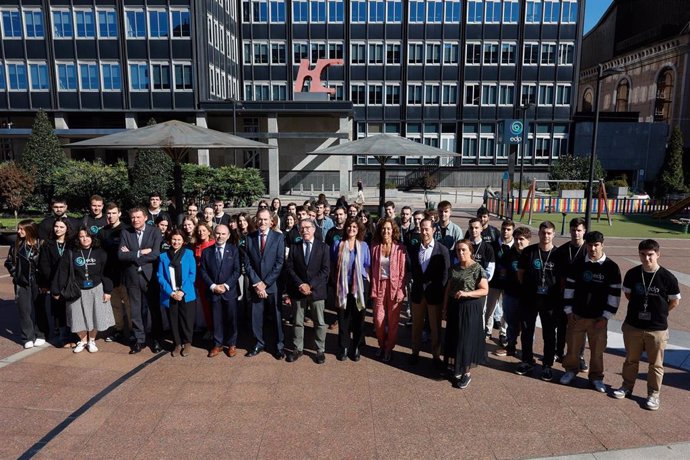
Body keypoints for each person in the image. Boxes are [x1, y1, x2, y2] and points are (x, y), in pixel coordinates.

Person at [612, 239, 680, 410]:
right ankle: (627, 387)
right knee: (631, 360)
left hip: (656, 329)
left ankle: (653, 395)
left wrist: (660, 313)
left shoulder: (667, 277)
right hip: (633, 325)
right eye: (643, 254)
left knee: (656, 364)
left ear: (658, 254)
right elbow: (628, 295)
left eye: (650, 255)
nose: (647, 258)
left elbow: (674, 302)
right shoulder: (633, 274)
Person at [560, 231, 621, 390]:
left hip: (598, 319)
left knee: (597, 351)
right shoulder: (578, 263)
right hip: (577, 315)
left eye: (596, 245)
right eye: (590, 245)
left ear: (602, 245)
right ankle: (571, 371)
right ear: (586, 245)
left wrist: (606, 316)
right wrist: (568, 310)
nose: (593, 248)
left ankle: (596, 377)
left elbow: (614, 294)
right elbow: (569, 288)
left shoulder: (611, 267)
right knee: (572, 347)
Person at [52, 228, 115, 353]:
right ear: (77, 239)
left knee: (95, 316)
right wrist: (56, 290)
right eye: (81, 236)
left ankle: (91, 340)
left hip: (96, 288)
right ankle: (83, 340)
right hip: (76, 290)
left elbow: (107, 273)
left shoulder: (100, 253)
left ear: (92, 238)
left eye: (87, 236)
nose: (85, 239)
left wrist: (108, 290)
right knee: (76, 317)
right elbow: (62, 272)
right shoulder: (71, 252)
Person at [516, 221, 562, 380]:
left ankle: (547, 365)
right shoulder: (529, 251)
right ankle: (527, 360)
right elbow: (520, 273)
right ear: (539, 234)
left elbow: (561, 279)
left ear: (553, 234)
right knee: (527, 331)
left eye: (549, 233)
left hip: (550, 301)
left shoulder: (558, 254)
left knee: (549, 334)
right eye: (543, 233)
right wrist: (528, 288)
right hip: (530, 298)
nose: (546, 236)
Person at [444, 240, 489, 389]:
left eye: (463, 250)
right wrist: (445, 307)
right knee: (455, 337)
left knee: (466, 339)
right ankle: (455, 368)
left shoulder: (477, 268)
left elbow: (484, 290)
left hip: (470, 307)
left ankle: (466, 373)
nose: (460, 253)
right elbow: (448, 288)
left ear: (470, 251)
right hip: (454, 306)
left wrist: (467, 294)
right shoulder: (454, 268)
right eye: (458, 250)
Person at [119, 207, 164, 354]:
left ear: (145, 218)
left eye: (138, 217)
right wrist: (140, 252)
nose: (135, 220)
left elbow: (156, 253)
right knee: (136, 310)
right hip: (132, 277)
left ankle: (156, 339)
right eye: (133, 217)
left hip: (149, 277)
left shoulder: (154, 231)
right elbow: (121, 255)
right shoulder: (126, 232)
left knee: (153, 310)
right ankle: (139, 340)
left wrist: (132, 256)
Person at [285, 218, 330, 364]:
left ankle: (320, 350)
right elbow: (289, 268)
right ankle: (298, 349)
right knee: (298, 321)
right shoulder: (294, 247)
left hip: (316, 291)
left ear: (314, 229)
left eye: (307, 227)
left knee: (319, 322)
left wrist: (310, 285)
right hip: (298, 290)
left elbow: (325, 270)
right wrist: (301, 284)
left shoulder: (323, 247)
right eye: (302, 228)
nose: (305, 230)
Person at [408, 218, 450, 366]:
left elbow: (445, 275)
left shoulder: (442, 250)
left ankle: (436, 356)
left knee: (435, 328)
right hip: (418, 294)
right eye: (422, 229)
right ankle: (414, 352)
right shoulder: (414, 250)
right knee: (416, 326)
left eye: (427, 229)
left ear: (433, 230)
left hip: (434, 295)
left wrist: (441, 292)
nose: (424, 232)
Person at [245, 209, 286, 359]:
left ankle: (279, 345)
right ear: (256, 221)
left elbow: (280, 262)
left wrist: (266, 283)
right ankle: (259, 343)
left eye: (265, 219)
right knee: (256, 316)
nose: (262, 222)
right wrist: (257, 283)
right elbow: (247, 262)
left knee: (276, 316)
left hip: (273, 285)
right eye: (260, 219)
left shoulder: (278, 237)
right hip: (256, 286)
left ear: (271, 221)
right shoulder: (249, 238)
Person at [332, 218, 371, 361]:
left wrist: (367, 285)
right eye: (349, 226)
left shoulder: (364, 246)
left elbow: (367, 265)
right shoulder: (338, 244)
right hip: (342, 286)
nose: (351, 229)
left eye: (354, 227)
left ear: (358, 229)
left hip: (359, 287)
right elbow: (333, 264)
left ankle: (356, 347)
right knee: (343, 319)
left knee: (358, 319)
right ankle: (344, 347)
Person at [199, 225, 241, 358]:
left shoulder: (234, 250)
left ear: (228, 236)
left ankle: (232, 344)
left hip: (229, 291)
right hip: (214, 291)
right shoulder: (207, 252)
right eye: (217, 233)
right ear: (214, 234)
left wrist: (226, 285)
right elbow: (203, 271)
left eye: (223, 234)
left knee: (231, 319)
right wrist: (213, 286)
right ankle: (218, 344)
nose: (220, 236)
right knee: (216, 319)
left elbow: (237, 270)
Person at [5, 220, 48, 348]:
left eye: (22, 229)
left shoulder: (41, 244)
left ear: (30, 230)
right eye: (19, 229)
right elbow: (8, 262)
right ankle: (27, 337)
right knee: (24, 310)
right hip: (21, 281)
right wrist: (16, 274)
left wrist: (44, 281)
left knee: (39, 308)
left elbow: (45, 264)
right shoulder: (17, 244)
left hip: (38, 281)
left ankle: (40, 334)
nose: (19, 231)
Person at [370, 218, 407, 362]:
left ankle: (389, 348)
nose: (386, 231)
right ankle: (381, 344)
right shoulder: (374, 247)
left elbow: (403, 272)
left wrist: (400, 290)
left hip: (394, 287)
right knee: (378, 320)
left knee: (393, 321)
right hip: (379, 286)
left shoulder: (400, 249)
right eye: (383, 228)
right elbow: (371, 268)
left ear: (393, 231)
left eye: (389, 229)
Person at [555, 217, 588, 369]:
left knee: (580, 328)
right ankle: (559, 351)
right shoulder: (562, 250)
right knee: (561, 325)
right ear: (570, 231)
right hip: (563, 294)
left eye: (579, 230)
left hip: (581, 297)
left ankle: (579, 356)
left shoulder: (589, 250)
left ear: (584, 231)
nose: (576, 233)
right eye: (574, 230)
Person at [158, 229, 197, 357]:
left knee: (186, 319)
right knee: (173, 320)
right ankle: (177, 343)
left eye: (179, 239)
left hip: (186, 293)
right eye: (174, 239)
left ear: (183, 241)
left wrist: (182, 291)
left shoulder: (189, 254)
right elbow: (160, 276)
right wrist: (171, 292)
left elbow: (192, 275)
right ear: (170, 241)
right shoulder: (163, 256)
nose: (176, 242)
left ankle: (187, 343)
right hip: (170, 294)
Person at [493, 226, 531, 357]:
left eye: (522, 239)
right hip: (511, 294)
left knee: (527, 325)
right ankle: (511, 346)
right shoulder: (509, 254)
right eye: (516, 239)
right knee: (511, 322)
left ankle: (527, 351)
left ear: (528, 240)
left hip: (528, 296)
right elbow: (502, 271)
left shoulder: (532, 253)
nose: (518, 242)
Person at [98, 203, 131, 344]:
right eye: (108, 214)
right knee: (115, 305)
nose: (110, 216)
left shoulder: (127, 230)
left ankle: (132, 331)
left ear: (119, 213)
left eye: (113, 213)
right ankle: (118, 329)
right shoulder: (102, 232)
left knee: (129, 305)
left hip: (125, 274)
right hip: (109, 274)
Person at [38, 218, 72, 346]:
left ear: (67, 229)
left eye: (61, 227)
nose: (58, 229)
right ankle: (63, 336)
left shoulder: (72, 243)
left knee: (71, 309)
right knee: (58, 310)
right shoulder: (48, 244)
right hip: (55, 282)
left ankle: (73, 336)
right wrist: (49, 283)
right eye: (56, 226)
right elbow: (44, 265)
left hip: (70, 282)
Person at [486, 219, 514, 346]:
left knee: (506, 310)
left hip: (508, 284)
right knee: (490, 308)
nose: (505, 232)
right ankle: (487, 330)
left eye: (508, 229)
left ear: (512, 231)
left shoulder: (516, 247)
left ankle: (503, 333)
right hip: (494, 282)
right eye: (504, 229)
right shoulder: (492, 245)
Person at [193, 222, 216, 337]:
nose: (201, 233)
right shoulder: (196, 245)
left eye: (203, 230)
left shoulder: (213, 244)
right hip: (200, 280)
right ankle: (209, 328)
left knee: (214, 307)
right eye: (199, 231)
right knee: (205, 307)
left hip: (212, 280)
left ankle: (215, 330)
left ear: (208, 231)